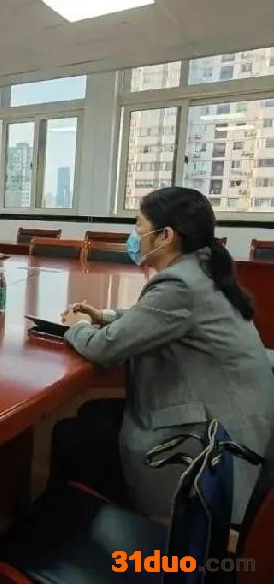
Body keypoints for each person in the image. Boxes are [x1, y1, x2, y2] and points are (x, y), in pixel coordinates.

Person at [55, 186, 274, 523]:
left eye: (138, 225)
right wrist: (106, 316)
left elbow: (104, 349)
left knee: (73, 436)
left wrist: (77, 327)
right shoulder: (201, 269)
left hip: (209, 442)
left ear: (166, 235)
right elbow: (159, 317)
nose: (135, 235)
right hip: (232, 418)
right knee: (91, 417)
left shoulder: (180, 284)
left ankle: (86, 527)